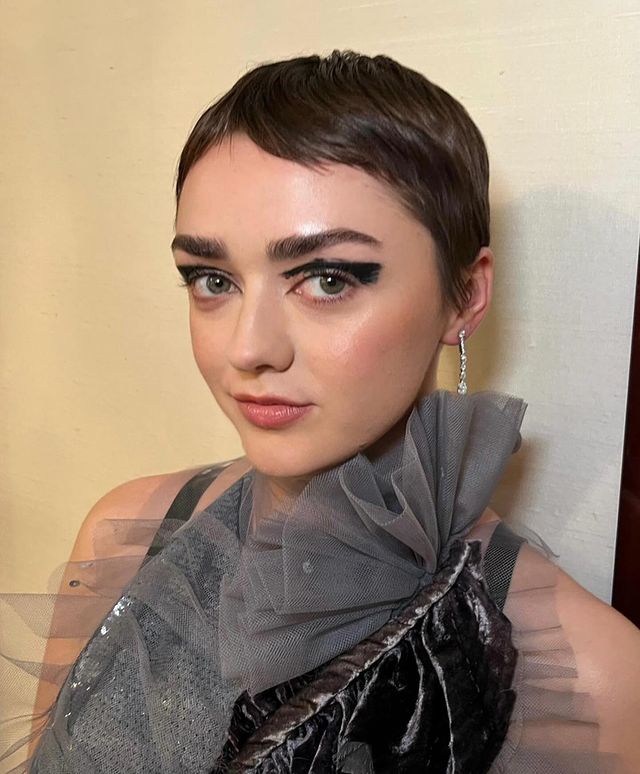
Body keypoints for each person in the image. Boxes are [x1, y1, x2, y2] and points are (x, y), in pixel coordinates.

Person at [2, 49, 639, 773]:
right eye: (212, 279)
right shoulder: (128, 535)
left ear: (464, 296)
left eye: (328, 280)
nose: (248, 348)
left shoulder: (593, 677)